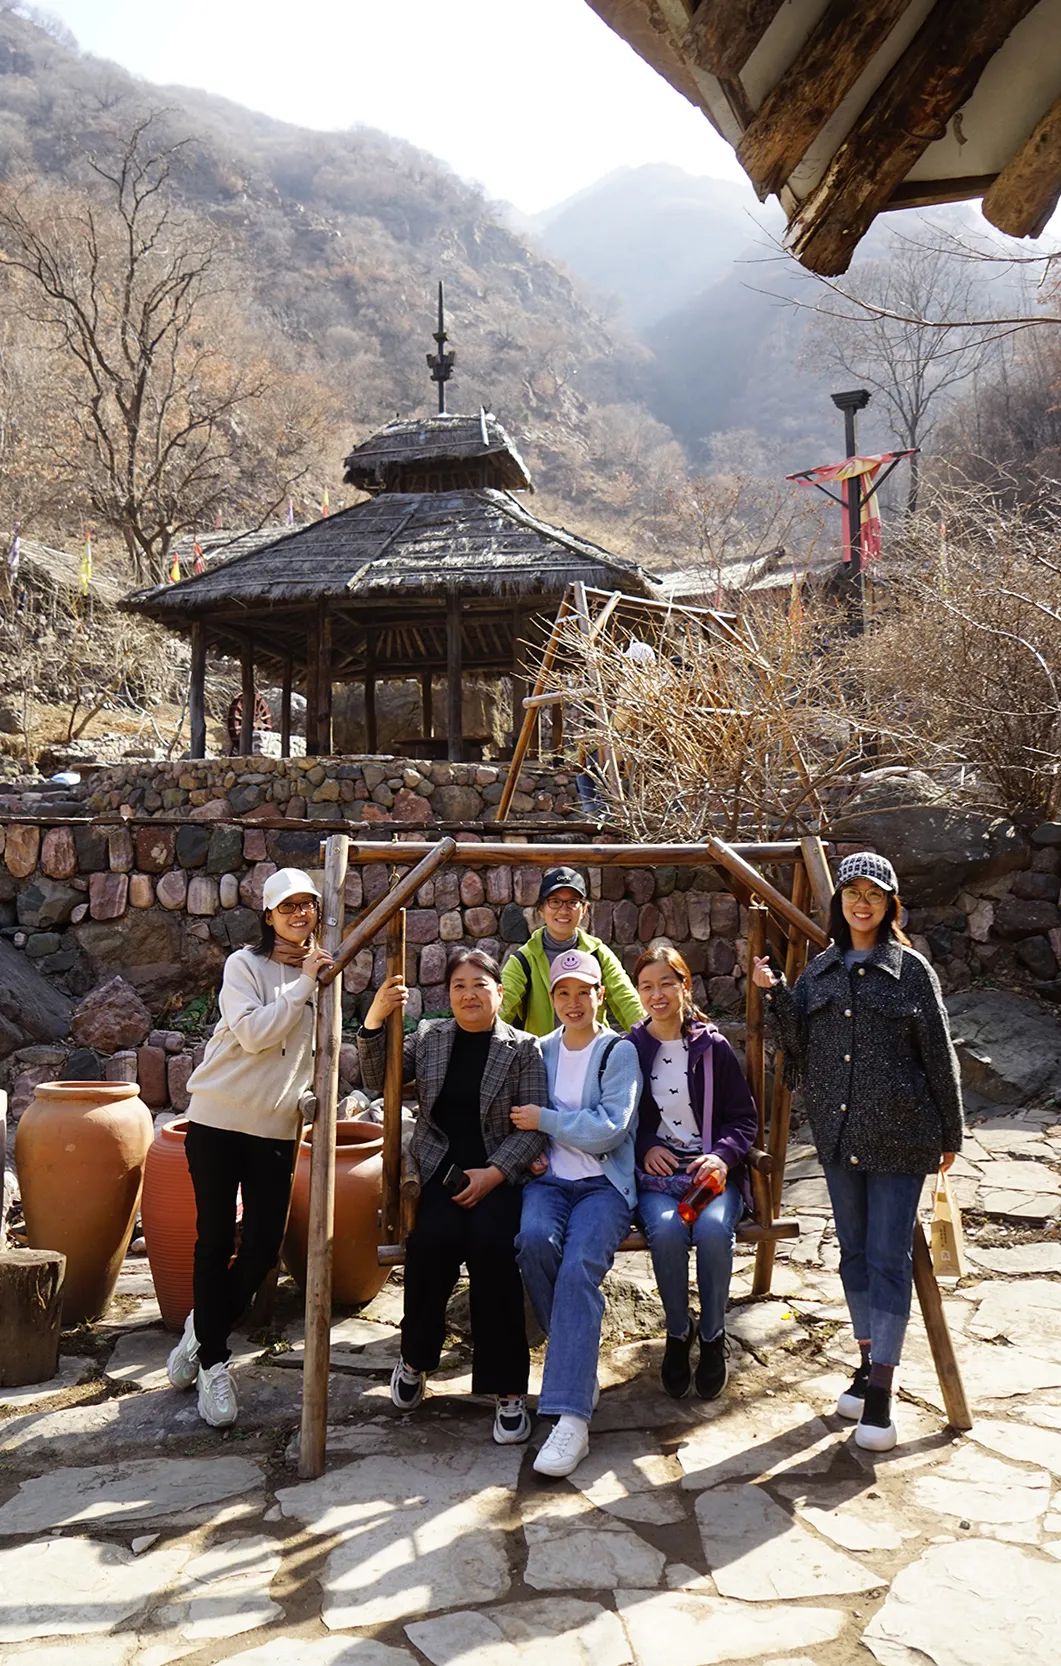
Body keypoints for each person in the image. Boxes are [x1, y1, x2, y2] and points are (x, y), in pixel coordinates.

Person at [752, 851, 964, 1452]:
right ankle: (869, 1361)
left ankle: (882, 1391)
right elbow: (794, 1047)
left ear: (890, 904)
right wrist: (776, 995)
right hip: (839, 1138)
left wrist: (951, 1133)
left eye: (873, 894)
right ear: (839, 902)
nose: (861, 903)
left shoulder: (912, 971)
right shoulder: (819, 972)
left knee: (888, 1258)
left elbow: (939, 1053)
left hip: (902, 1137)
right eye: (852, 893)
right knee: (853, 1255)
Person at [358, 947, 547, 1445]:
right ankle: (415, 1358)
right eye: (459, 986)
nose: (469, 995)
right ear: (448, 995)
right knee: (430, 1245)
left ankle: (507, 1389)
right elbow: (379, 1079)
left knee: (494, 1251)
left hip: (497, 1176)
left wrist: (495, 1173)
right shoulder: (430, 1037)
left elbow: (533, 1128)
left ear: (499, 993)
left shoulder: (524, 1049)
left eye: (479, 985)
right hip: (441, 1173)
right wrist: (376, 1018)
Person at [166, 867, 333, 1428]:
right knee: (214, 1241)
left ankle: (201, 1327)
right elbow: (256, 1034)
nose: (299, 914)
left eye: (307, 905)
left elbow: (317, 1052)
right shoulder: (244, 965)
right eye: (288, 907)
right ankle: (215, 1363)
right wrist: (304, 984)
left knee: (262, 1249)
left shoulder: (322, 975)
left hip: (275, 1131)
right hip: (217, 1121)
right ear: (268, 916)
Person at [511, 948, 640, 1477]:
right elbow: (519, 1120)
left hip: (603, 1188)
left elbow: (610, 1128)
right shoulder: (540, 1049)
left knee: (578, 1266)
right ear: (552, 998)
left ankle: (571, 1420)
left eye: (583, 992)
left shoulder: (618, 1053)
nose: (573, 1002)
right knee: (533, 1243)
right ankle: (577, 1361)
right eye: (563, 993)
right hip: (549, 1183)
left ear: (600, 996)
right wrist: (534, 1150)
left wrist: (546, 1120)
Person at [631, 945, 757, 1401]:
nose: (657, 995)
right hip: (658, 1179)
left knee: (713, 1230)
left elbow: (743, 1119)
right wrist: (646, 1146)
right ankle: (678, 1331)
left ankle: (712, 1335)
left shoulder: (711, 1047)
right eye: (647, 986)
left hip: (711, 1175)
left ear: (685, 986)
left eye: (667, 983)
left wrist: (722, 1156)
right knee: (666, 1232)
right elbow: (623, 1119)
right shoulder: (631, 1048)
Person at [500, 866, 643, 1037]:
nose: (563, 910)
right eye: (555, 901)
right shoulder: (523, 960)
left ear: (584, 909)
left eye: (572, 902)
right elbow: (502, 1006)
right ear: (541, 909)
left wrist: (650, 1039)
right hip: (541, 1052)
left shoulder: (599, 954)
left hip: (594, 1050)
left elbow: (626, 1000)